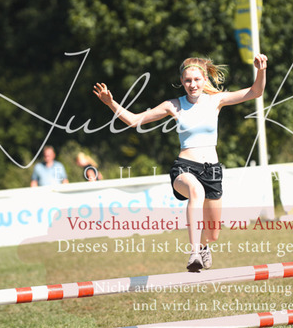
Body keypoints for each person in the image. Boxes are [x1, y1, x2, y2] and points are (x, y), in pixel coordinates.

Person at [93, 54, 267, 272]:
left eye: (196, 80)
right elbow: (134, 120)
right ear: (182, 82)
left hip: (212, 172)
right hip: (185, 168)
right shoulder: (174, 105)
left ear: (205, 79)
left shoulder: (216, 100)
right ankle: (194, 253)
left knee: (213, 234)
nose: (192, 85)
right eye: (187, 80)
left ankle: (203, 246)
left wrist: (261, 70)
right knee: (195, 190)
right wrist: (111, 103)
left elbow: (255, 92)